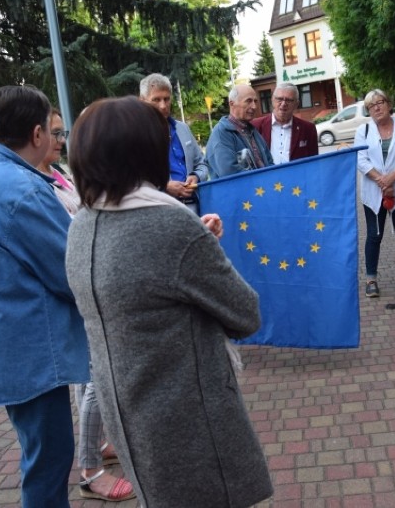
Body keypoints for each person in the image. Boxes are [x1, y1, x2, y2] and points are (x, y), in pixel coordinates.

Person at [64, 96, 273, 508]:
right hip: (186, 417)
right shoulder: (167, 222)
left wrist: (195, 245)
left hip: (129, 412)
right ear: (144, 152)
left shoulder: (83, 222)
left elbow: (145, 285)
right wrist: (199, 247)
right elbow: (245, 314)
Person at [0, 85, 89, 507]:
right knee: (49, 468)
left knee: (42, 461)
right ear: (37, 134)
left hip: (13, 350)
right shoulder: (23, 189)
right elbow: (72, 270)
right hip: (32, 356)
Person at [34, 109, 134, 502]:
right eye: (56, 133)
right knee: (95, 379)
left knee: (85, 378)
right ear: (36, 134)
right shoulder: (38, 187)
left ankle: (99, 443)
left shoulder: (56, 175)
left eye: (64, 133)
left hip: (83, 286)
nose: (61, 141)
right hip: (80, 288)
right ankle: (90, 468)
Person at [354, 89, 395, 298]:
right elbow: (361, 160)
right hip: (373, 192)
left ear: (389, 104)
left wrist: (391, 179)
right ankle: (371, 279)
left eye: (380, 102)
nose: (376, 107)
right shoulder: (363, 131)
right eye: (371, 105)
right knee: (374, 235)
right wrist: (381, 181)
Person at [138, 73, 209, 214]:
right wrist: (164, 186)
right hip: (161, 211)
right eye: (156, 100)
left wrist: (196, 176)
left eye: (166, 99)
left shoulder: (182, 129)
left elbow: (203, 163)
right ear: (143, 101)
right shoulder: (136, 135)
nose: (163, 106)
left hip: (196, 206)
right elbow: (132, 180)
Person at [206, 83, 274, 178]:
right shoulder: (222, 133)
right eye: (248, 101)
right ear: (232, 103)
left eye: (255, 101)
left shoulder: (252, 130)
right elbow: (230, 174)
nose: (254, 106)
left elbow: (269, 162)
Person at [251, 82, 319, 163]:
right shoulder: (255, 126)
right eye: (279, 99)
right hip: (268, 175)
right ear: (272, 100)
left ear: (296, 104)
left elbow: (314, 162)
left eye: (289, 100)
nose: (283, 104)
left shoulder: (308, 129)